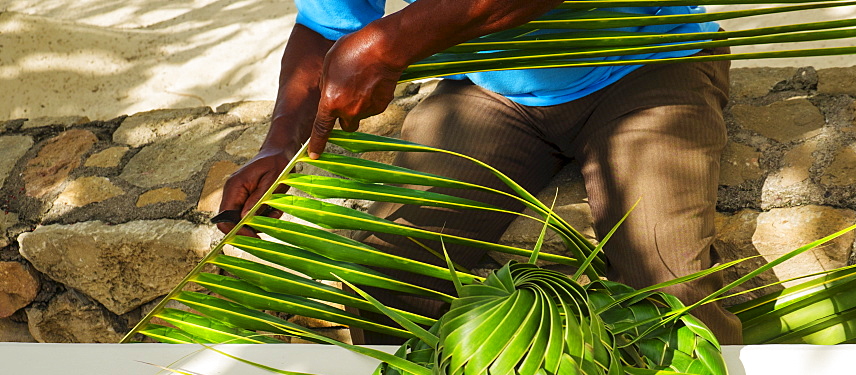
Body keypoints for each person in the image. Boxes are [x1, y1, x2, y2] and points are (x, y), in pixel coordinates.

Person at [217, 0, 743, 344]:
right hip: (490, 86)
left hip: (645, 60)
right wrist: (282, 141)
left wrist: (389, 43)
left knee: (670, 290)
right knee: (386, 278)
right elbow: (325, 25)